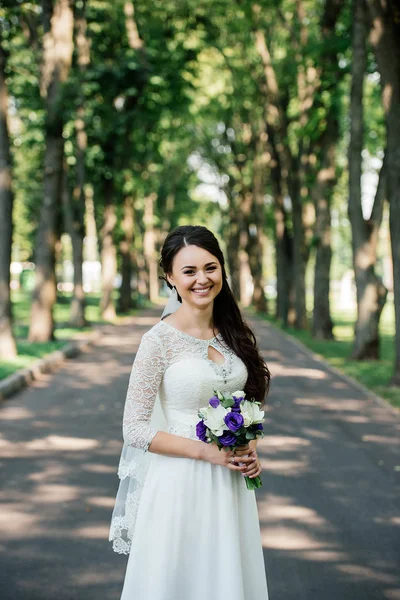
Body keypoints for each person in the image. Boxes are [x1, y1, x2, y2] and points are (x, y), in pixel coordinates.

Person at [109, 225, 270, 600]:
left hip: (230, 485)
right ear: (170, 277)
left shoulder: (232, 332)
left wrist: (251, 446)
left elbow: (248, 398)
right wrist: (205, 452)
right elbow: (134, 429)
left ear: (222, 269)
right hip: (179, 482)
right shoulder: (157, 342)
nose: (202, 279)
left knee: (227, 578)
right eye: (189, 271)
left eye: (210, 268)